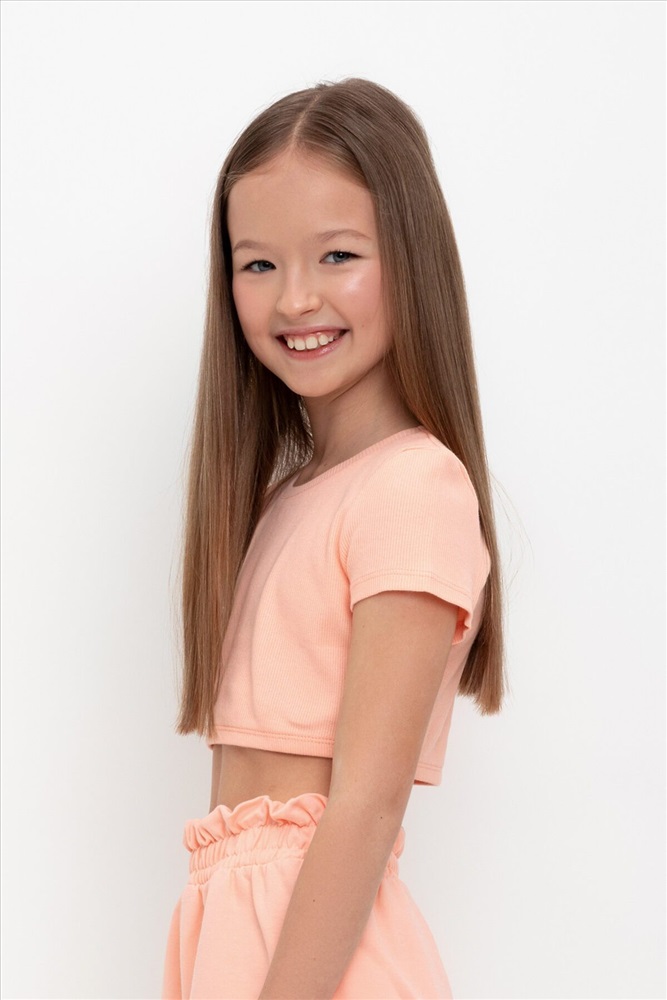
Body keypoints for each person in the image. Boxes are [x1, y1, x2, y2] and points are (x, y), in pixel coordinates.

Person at [162, 77, 505, 1000]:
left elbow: (363, 809)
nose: (295, 299)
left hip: (313, 961)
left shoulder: (411, 487)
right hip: (242, 939)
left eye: (338, 255)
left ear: (412, 256)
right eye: (257, 264)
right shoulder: (286, 500)